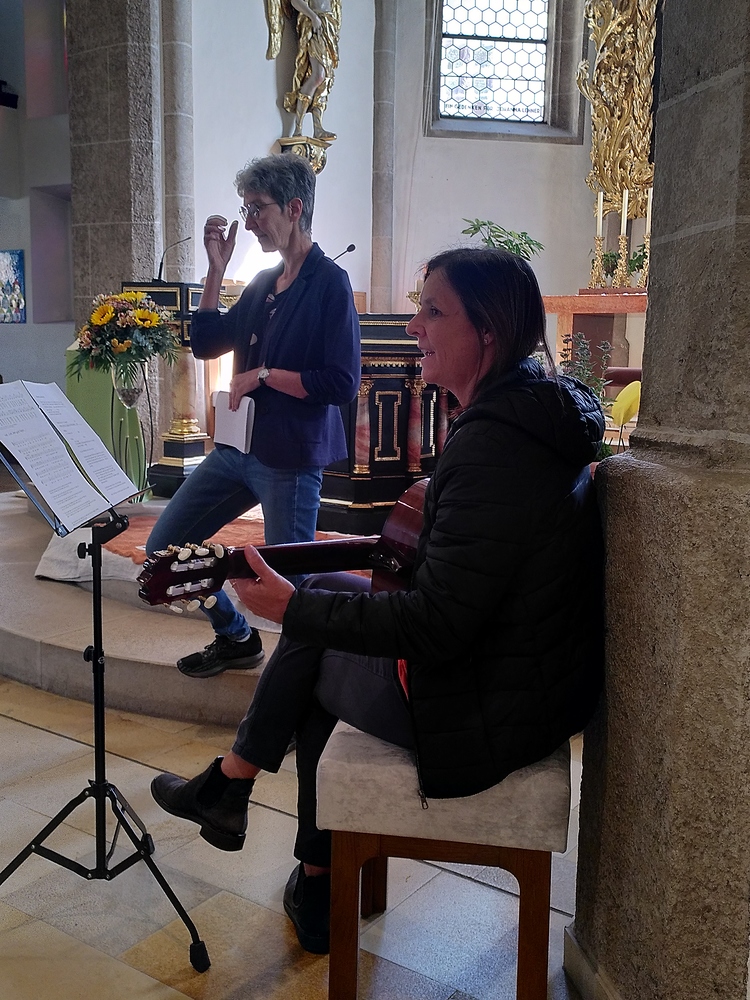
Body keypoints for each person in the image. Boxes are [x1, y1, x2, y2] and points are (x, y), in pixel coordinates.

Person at [150, 247, 605, 955]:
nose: (414, 326)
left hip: (486, 710)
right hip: (523, 675)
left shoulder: (494, 446)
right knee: (324, 597)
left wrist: (290, 610)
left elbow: (436, 624)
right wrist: (306, 595)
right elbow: (469, 568)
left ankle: (294, 853)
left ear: (487, 331)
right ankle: (245, 802)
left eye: (434, 311)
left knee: (312, 652)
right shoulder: (530, 415)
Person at [146, 153, 360, 678]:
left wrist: (262, 376)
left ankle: (306, 684)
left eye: (257, 208)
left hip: (289, 457)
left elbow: (341, 382)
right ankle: (235, 635)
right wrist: (216, 271)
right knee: (164, 550)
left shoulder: (329, 282)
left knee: (290, 581)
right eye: (245, 209)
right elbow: (206, 343)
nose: (248, 222)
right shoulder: (264, 282)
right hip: (237, 451)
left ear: (294, 208)